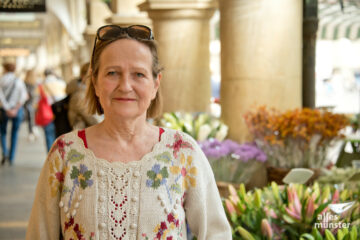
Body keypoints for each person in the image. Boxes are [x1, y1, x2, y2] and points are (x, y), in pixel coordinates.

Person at [26, 25, 232, 239]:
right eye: (112, 73)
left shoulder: (182, 152)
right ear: (95, 82)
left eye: (139, 74)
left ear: (155, 84)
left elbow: (216, 233)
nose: (125, 86)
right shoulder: (64, 154)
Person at [0, 62, 28, 166]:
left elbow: (0, 97)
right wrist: (15, 109)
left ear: (5, 69)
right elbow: (24, 96)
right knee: (14, 133)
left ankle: (5, 153)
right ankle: (11, 157)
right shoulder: (19, 81)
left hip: (3, 110)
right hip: (17, 109)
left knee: (2, 132)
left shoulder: (1, 80)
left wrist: (7, 108)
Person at [66, 62, 100, 130]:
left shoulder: (86, 91)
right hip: (84, 136)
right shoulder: (79, 95)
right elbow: (92, 118)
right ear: (82, 76)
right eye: (91, 76)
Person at [40, 68, 66, 152]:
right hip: (60, 113)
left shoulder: (42, 85)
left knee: (48, 136)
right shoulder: (61, 83)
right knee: (59, 136)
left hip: (47, 113)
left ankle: (50, 157)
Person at [24, 69, 38, 142]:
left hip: (29, 104)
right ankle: (34, 131)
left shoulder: (26, 83)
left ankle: (31, 133)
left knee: (30, 119)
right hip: (35, 104)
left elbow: (25, 95)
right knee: (33, 118)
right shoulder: (36, 83)